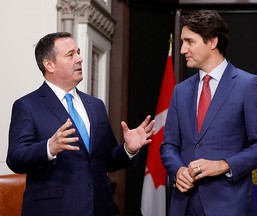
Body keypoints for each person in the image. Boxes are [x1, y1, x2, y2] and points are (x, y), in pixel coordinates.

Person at [6, 32, 155, 216]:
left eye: (78, 52)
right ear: (49, 65)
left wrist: (128, 150)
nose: (80, 59)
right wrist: (49, 148)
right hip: (54, 210)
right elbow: (15, 158)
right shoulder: (28, 105)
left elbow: (105, 160)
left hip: (99, 207)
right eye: (71, 55)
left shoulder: (96, 105)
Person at [160, 9, 257, 216]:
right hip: (183, 205)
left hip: (229, 206)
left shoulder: (249, 85)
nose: (182, 49)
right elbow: (169, 145)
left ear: (212, 42)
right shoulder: (181, 90)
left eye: (189, 41)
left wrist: (224, 165)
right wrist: (178, 170)